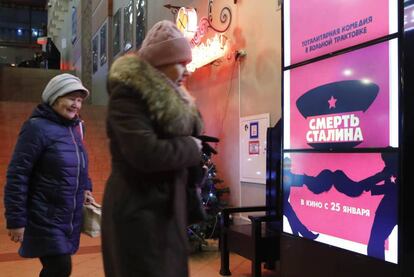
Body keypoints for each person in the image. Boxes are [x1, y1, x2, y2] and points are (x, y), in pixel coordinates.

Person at [102, 20, 203, 277]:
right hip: (139, 214)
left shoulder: (176, 98)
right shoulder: (128, 95)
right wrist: (191, 147)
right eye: (181, 63)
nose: (186, 71)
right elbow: (145, 153)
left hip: (166, 213)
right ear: (161, 65)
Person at [4, 73, 94, 277]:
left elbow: (80, 164)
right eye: (71, 98)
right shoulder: (36, 128)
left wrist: (87, 187)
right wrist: (16, 220)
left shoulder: (77, 128)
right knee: (60, 267)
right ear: (54, 98)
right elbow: (18, 175)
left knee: (58, 269)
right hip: (43, 215)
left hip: (68, 215)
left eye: (80, 100)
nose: (76, 105)